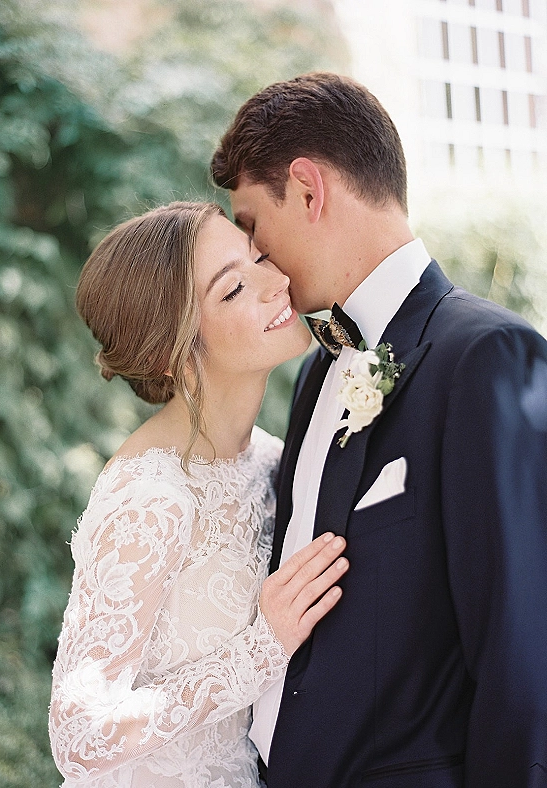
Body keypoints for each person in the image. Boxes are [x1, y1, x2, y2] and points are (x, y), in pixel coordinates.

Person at [211, 72, 547, 787]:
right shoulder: (314, 371)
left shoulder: (485, 356)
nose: (258, 261)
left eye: (252, 227)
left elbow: (522, 657)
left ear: (308, 189)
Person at [48, 201, 350, 788]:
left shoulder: (267, 458)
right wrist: (263, 648)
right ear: (175, 354)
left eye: (260, 257)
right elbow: (79, 736)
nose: (276, 283)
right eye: (234, 289)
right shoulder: (149, 497)